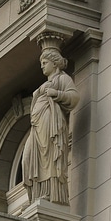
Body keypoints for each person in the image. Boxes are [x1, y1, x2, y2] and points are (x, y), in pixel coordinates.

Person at [21, 49, 79, 204]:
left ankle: (51, 194)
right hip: (37, 126)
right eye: (41, 64)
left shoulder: (63, 79)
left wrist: (57, 94)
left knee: (49, 158)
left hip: (51, 124)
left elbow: (74, 97)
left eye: (45, 63)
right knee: (27, 160)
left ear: (54, 63)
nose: (42, 67)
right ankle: (35, 195)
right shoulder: (47, 82)